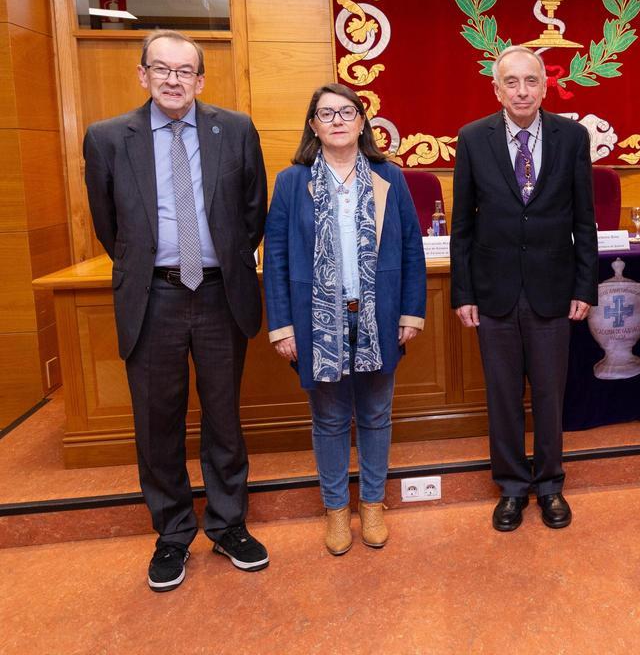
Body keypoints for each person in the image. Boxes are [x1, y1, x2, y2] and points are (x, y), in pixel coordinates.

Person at [83, 30, 269, 591]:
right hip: (153, 297)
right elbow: (108, 225)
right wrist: (151, 266)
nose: (172, 79)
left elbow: (253, 211)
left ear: (200, 80)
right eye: (161, 69)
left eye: (184, 70)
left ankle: (228, 525)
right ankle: (172, 533)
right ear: (142, 75)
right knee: (156, 421)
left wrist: (221, 261)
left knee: (223, 417)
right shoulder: (108, 138)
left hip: (219, 293)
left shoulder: (235, 129)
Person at [263, 84, 426, 555]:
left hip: (378, 315)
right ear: (313, 125)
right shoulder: (291, 182)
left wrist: (411, 313)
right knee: (330, 419)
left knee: (375, 415)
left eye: (347, 112)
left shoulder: (388, 176)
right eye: (326, 113)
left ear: (361, 122)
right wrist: (283, 326)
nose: (337, 120)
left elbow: (411, 249)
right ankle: (336, 510)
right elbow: (276, 257)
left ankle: (372, 505)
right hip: (316, 320)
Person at [450, 45, 598, 532]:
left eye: (530, 80)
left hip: (553, 290)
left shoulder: (571, 137)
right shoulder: (473, 138)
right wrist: (463, 293)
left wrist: (585, 286)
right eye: (510, 82)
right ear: (496, 89)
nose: (521, 91)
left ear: (545, 86)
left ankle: (551, 484)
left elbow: (584, 219)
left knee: (551, 395)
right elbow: (462, 225)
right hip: (493, 292)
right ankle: (512, 487)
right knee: (503, 396)